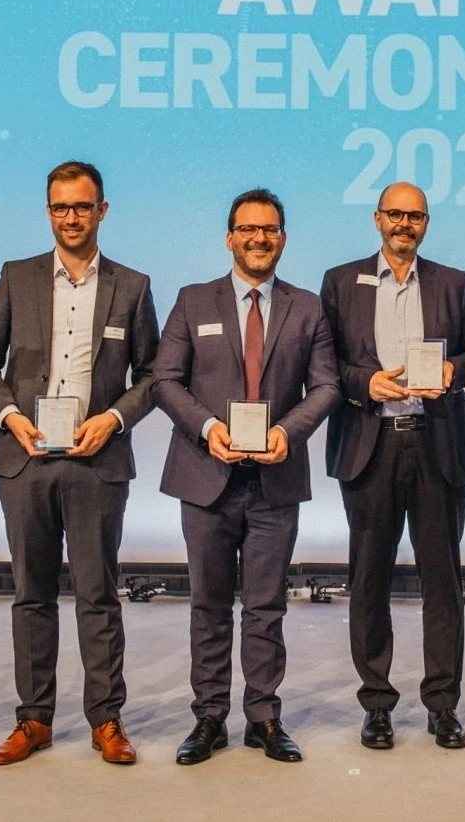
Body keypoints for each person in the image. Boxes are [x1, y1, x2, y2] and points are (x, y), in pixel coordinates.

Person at [0, 161, 161, 767]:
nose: (70, 218)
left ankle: (106, 719)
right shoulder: (17, 276)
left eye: (82, 207)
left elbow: (154, 375)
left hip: (96, 459)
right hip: (24, 458)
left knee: (98, 593)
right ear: (48, 211)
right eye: (60, 207)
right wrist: (8, 416)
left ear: (103, 210)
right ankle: (34, 720)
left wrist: (115, 418)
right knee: (32, 594)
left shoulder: (131, 285)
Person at [152, 188, 341, 766]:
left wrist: (290, 430)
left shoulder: (307, 307)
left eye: (271, 229)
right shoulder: (192, 300)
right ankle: (209, 717)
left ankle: (263, 717)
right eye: (248, 229)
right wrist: (208, 427)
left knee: (266, 606)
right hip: (205, 475)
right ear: (229, 235)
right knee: (208, 605)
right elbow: (164, 380)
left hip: (274, 480)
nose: (259, 238)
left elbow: (328, 385)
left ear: (283, 237)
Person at [319, 182, 465, 751]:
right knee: (369, 580)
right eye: (395, 214)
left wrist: (450, 374)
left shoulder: (453, 283)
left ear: (427, 223)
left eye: (414, 216)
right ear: (377, 219)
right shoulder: (340, 282)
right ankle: (378, 704)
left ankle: (442, 705)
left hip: (436, 441)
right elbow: (326, 363)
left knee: (444, 581)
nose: (403, 224)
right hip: (371, 442)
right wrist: (367, 382)